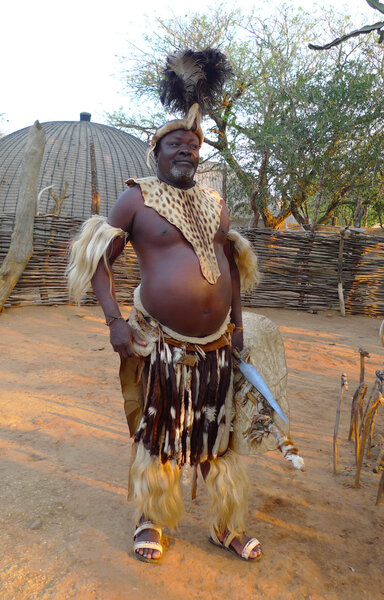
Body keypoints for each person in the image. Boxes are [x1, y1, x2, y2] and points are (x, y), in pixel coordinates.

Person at [67, 49, 262, 563]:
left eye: (194, 146)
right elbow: (97, 261)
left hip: (218, 343)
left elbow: (231, 266)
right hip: (163, 346)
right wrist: (113, 321)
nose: (187, 152)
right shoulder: (136, 198)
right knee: (163, 431)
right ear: (156, 151)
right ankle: (151, 519)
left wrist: (237, 324)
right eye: (176, 143)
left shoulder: (216, 203)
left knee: (216, 433)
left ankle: (226, 524)